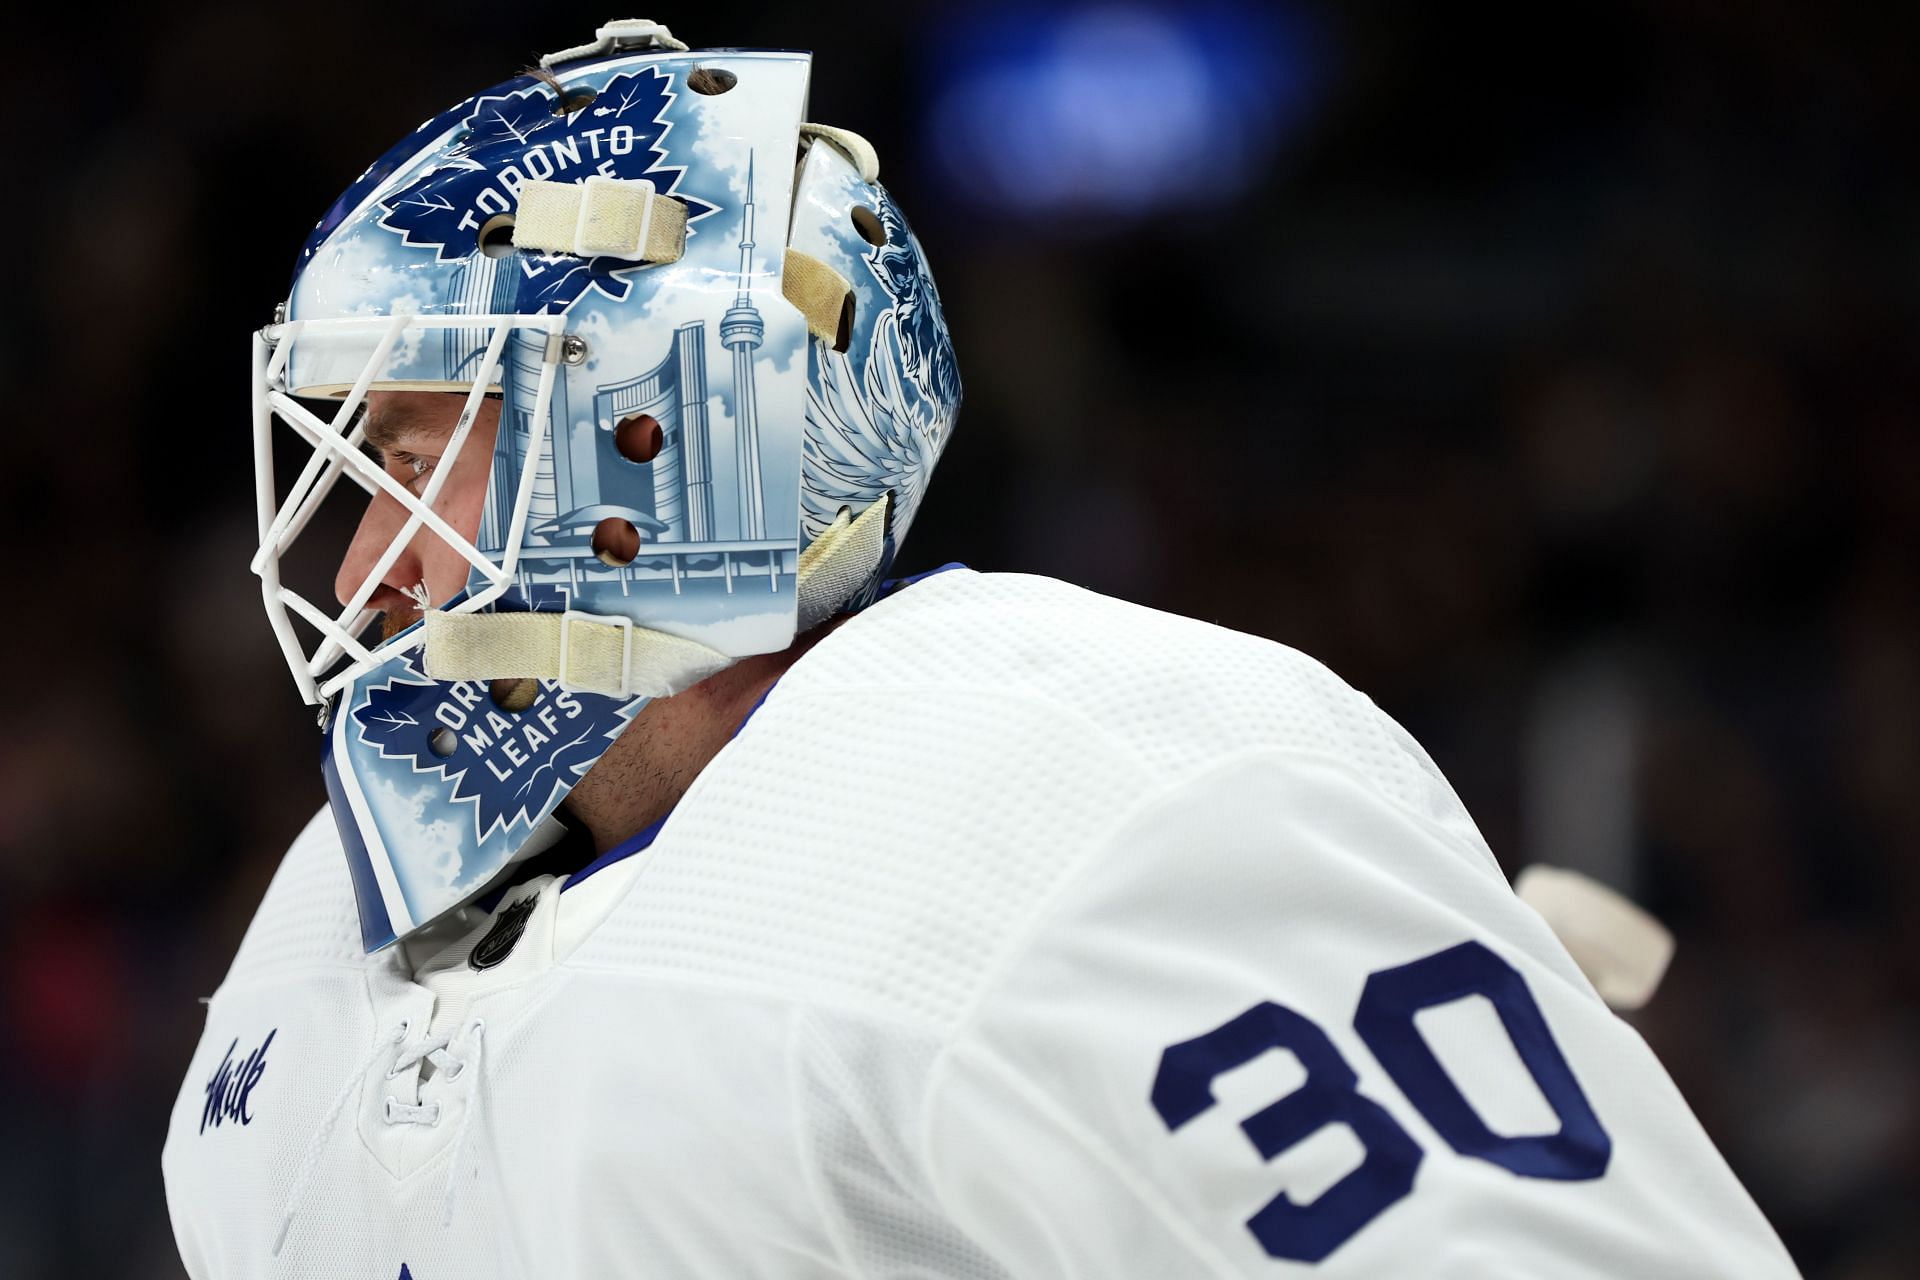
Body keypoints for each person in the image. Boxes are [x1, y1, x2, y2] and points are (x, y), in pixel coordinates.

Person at [163, 18, 1802, 1278]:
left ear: (664, 449)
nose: (365, 570)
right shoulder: (312, 946)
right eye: (350, 467)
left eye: (427, 454)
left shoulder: (1071, 787)